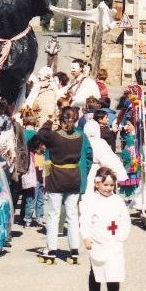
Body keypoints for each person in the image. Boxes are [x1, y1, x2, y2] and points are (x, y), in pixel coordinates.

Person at [36, 106, 93, 264]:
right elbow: (88, 157)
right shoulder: (79, 137)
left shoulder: (54, 136)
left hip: (57, 177)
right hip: (74, 177)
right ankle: (74, 250)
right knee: (72, 215)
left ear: (61, 120)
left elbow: (41, 134)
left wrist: (49, 120)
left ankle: (52, 249)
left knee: (54, 214)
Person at [80, 167, 131, 291]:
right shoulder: (91, 200)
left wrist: (122, 235)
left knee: (114, 269)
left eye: (111, 185)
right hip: (97, 241)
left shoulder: (117, 200)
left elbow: (124, 219)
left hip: (114, 241)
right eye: (105, 185)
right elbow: (84, 220)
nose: (109, 188)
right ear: (97, 184)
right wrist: (86, 237)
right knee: (96, 269)